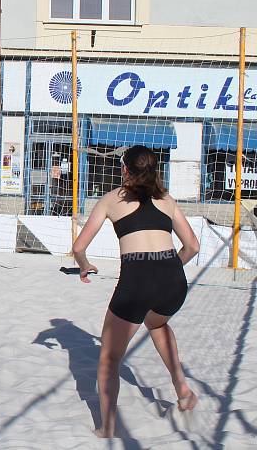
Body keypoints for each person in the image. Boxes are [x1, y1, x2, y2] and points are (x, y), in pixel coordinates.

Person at [71, 145, 200, 438]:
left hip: (138, 277)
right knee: (157, 323)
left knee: (108, 358)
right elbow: (193, 246)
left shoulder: (111, 199)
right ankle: (183, 390)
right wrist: (168, 269)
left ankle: (107, 428)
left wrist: (84, 265)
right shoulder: (166, 199)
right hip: (173, 281)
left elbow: (79, 248)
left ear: (125, 169)